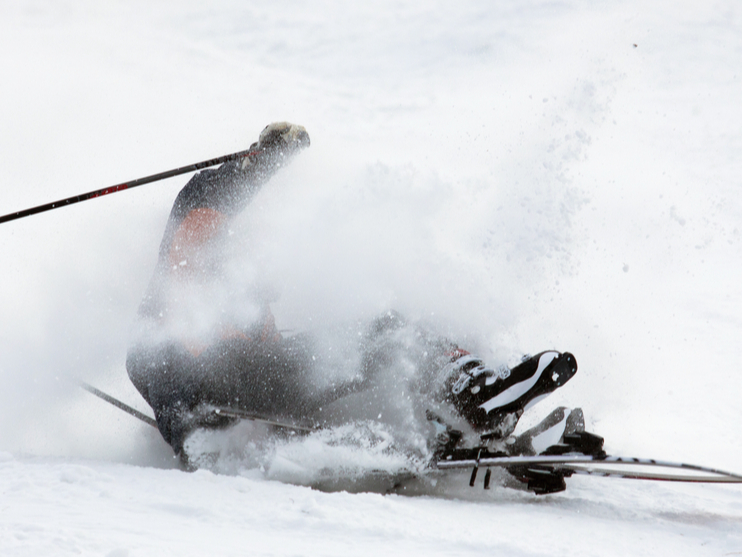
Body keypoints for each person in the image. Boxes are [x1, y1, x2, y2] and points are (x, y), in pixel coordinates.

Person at [127, 124, 578, 468]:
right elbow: (201, 218)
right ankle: (478, 398)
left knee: (379, 346)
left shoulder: (233, 300)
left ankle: (474, 421)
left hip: (232, 391)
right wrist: (261, 164)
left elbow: (258, 360)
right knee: (390, 332)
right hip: (215, 386)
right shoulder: (181, 300)